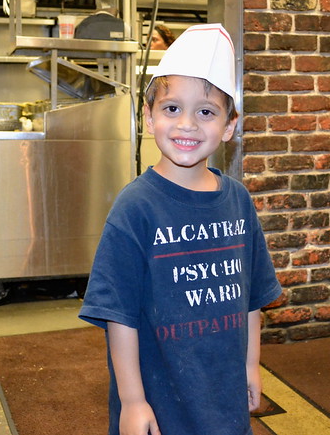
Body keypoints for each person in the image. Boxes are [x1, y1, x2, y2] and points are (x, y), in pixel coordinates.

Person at [79, 23, 282, 435]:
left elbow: (252, 299)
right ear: (149, 118)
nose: (187, 124)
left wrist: (250, 367)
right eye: (172, 108)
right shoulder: (135, 207)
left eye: (206, 111)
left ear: (229, 127)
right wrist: (133, 401)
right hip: (159, 396)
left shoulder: (238, 200)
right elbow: (119, 315)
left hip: (223, 397)